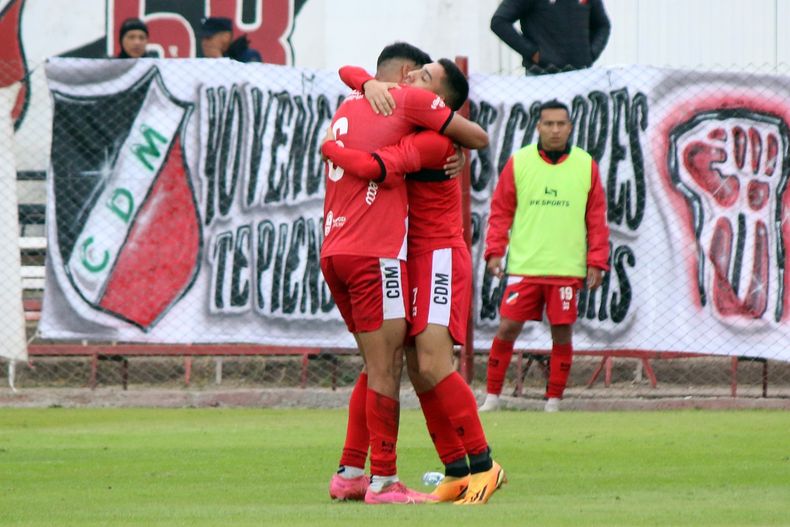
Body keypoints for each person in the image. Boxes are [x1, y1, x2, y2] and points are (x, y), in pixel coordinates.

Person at [324, 60, 505, 505]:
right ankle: (455, 470)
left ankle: (484, 464)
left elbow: (376, 167)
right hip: (409, 256)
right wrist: (365, 83)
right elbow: (349, 71)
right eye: (412, 74)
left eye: (424, 78)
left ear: (438, 101)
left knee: (431, 364)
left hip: (437, 254)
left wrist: (329, 149)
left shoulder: (431, 138)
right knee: (401, 367)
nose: (410, 82)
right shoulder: (400, 120)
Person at [478, 100, 609, 412]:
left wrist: (597, 261)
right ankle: (492, 397)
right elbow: (500, 211)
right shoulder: (519, 162)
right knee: (507, 328)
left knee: (561, 333)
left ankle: (553, 402)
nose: (554, 129)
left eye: (560, 124)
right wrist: (494, 252)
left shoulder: (585, 164)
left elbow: (596, 218)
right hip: (525, 266)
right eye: (548, 124)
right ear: (537, 127)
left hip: (565, 268)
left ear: (570, 127)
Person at [490, 0, 611, 75]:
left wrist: (590, 54)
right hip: (542, 76)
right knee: (546, 117)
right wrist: (533, 53)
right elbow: (499, 22)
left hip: (581, 75)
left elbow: (602, 25)